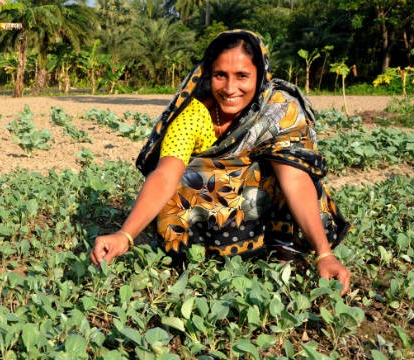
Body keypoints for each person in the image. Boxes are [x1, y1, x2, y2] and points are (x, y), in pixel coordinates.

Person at [89, 29, 352, 295]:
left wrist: (324, 254)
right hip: (212, 214)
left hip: (264, 207)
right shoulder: (194, 114)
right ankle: (197, 253)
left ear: (260, 75)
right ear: (208, 74)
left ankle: (282, 247)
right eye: (220, 76)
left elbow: (294, 179)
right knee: (186, 180)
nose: (229, 89)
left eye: (242, 76)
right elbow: (166, 174)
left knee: (291, 170)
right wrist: (125, 235)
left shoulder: (278, 109)